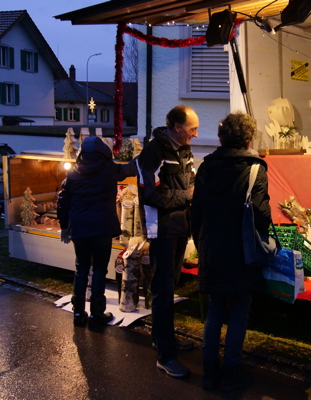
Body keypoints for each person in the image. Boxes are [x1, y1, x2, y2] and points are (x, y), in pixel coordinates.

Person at [190, 111, 271, 392]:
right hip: (242, 251)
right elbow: (261, 216)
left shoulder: (205, 167)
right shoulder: (254, 169)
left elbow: (196, 214)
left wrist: (202, 247)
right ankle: (231, 375)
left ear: (222, 137)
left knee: (214, 311)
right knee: (238, 313)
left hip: (212, 248)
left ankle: (210, 374)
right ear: (248, 139)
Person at [136, 105, 198, 378]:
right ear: (176, 127)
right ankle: (165, 356)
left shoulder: (184, 149)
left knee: (170, 286)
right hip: (160, 230)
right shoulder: (153, 152)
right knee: (162, 289)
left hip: (180, 227)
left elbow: (190, 183)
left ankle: (163, 339)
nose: (195, 134)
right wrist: (186, 196)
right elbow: (150, 195)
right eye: (191, 129)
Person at [57, 136, 137, 328]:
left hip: (80, 228)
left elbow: (62, 201)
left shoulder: (73, 173)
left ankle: (78, 313)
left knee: (81, 268)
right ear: (103, 152)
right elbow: (131, 168)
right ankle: (97, 314)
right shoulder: (110, 170)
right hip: (101, 228)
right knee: (100, 269)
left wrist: (64, 226)